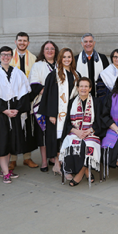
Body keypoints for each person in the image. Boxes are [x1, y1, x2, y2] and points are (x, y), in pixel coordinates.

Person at [0, 46, 31, 184]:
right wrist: (4, 110)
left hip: (13, 112)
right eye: (3, 55)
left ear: (12, 56)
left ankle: (6, 169)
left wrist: (18, 109)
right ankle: (4, 172)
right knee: (0, 142)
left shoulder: (18, 73)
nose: (6, 57)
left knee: (9, 142)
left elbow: (24, 92)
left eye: (8, 55)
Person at [39, 48, 79, 176]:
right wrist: (51, 113)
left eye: (69, 57)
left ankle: (65, 163)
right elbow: (49, 96)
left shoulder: (76, 74)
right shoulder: (54, 75)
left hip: (70, 113)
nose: (67, 59)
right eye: (64, 57)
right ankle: (57, 164)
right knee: (57, 139)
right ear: (60, 59)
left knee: (67, 138)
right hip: (57, 114)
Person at [59, 77, 102, 187]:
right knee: (72, 144)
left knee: (89, 145)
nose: (83, 88)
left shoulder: (97, 102)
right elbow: (67, 122)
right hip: (75, 132)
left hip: (91, 133)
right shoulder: (71, 102)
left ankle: (80, 174)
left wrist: (90, 130)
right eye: (81, 86)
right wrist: (76, 131)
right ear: (77, 88)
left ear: (90, 88)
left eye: (86, 86)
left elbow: (100, 121)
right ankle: (87, 171)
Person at [8, 31, 38, 170]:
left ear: (28, 43)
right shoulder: (8, 57)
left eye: (25, 41)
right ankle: (12, 159)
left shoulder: (33, 58)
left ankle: (27, 157)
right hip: (12, 98)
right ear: (15, 42)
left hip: (27, 98)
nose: (22, 43)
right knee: (13, 129)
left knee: (27, 128)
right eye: (20, 40)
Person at [28, 40, 59, 172]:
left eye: (52, 49)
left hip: (59, 104)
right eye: (47, 49)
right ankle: (44, 161)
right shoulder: (38, 65)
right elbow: (34, 85)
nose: (50, 51)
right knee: (43, 134)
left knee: (55, 133)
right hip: (42, 104)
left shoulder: (61, 64)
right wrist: (50, 93)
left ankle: (54, 158)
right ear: (43, 51)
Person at [75, 33, 109, 98]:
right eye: (85, 42)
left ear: (94, 43)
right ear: (82, 44)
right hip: (82, 96)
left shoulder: (102, 58)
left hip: (99, 95)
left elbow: (107, 78)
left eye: (90, 41)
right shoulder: (75, 59)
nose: (88, 44)